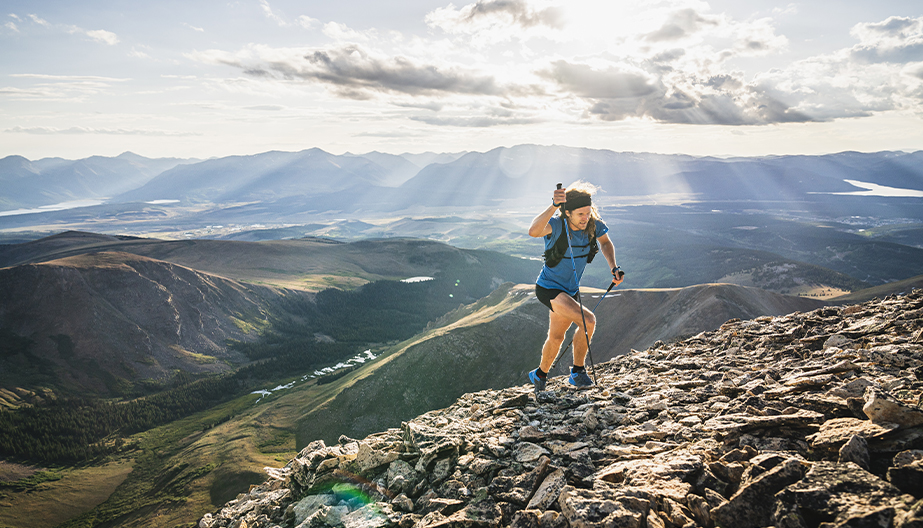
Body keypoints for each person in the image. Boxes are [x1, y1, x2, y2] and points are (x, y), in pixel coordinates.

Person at [527, 181, 623, 392]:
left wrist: (614, 268)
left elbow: (606, 243)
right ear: (567, 212)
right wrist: (553, 205)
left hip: (569, 291)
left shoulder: (592, 225)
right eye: (580, 214)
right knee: (588, 320)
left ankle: (539, 374)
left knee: (557, 337)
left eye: (588, 213)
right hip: (549, 288)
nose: (585, 218)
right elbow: (533, 231)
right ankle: (577, 373)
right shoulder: (557, 225)